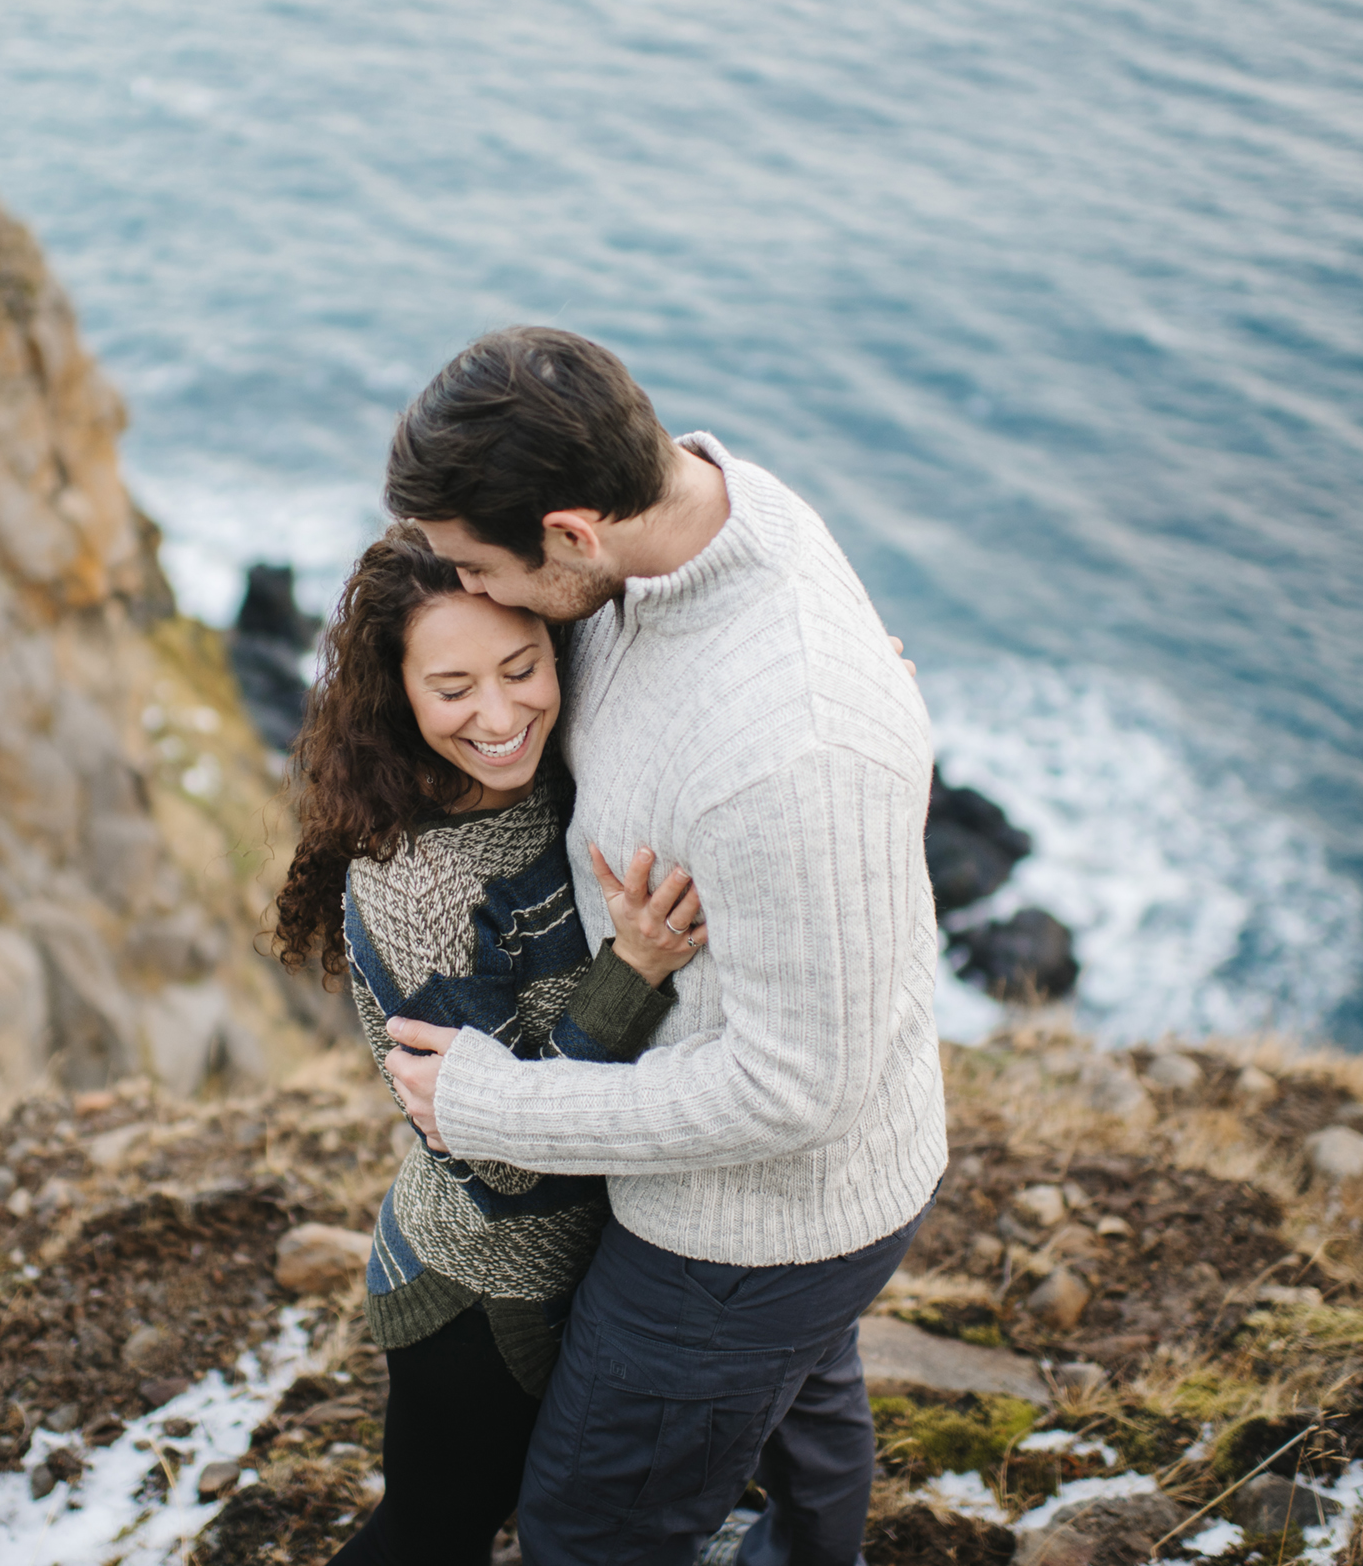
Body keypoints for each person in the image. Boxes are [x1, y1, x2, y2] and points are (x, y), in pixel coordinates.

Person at [377, 328, 950, 1566]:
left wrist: (498, 1105)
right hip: (804, 1200)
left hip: (746, 1229)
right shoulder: (705, 515)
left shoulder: (791, 746)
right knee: (804, 1425)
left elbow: (793, 1086)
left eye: (486, 567)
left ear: (574, 535)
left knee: (592, 1529)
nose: (473, 587)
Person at [271, 524, 713, 1566]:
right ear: (399, 695)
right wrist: (632, 975)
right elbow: (502, 1144)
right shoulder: (417, 884)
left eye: (522, 668)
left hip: (579, 1265)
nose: (502, 714)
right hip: (479, 1288)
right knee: (434, 1531)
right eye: (454, 687)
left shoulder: (551, 769)